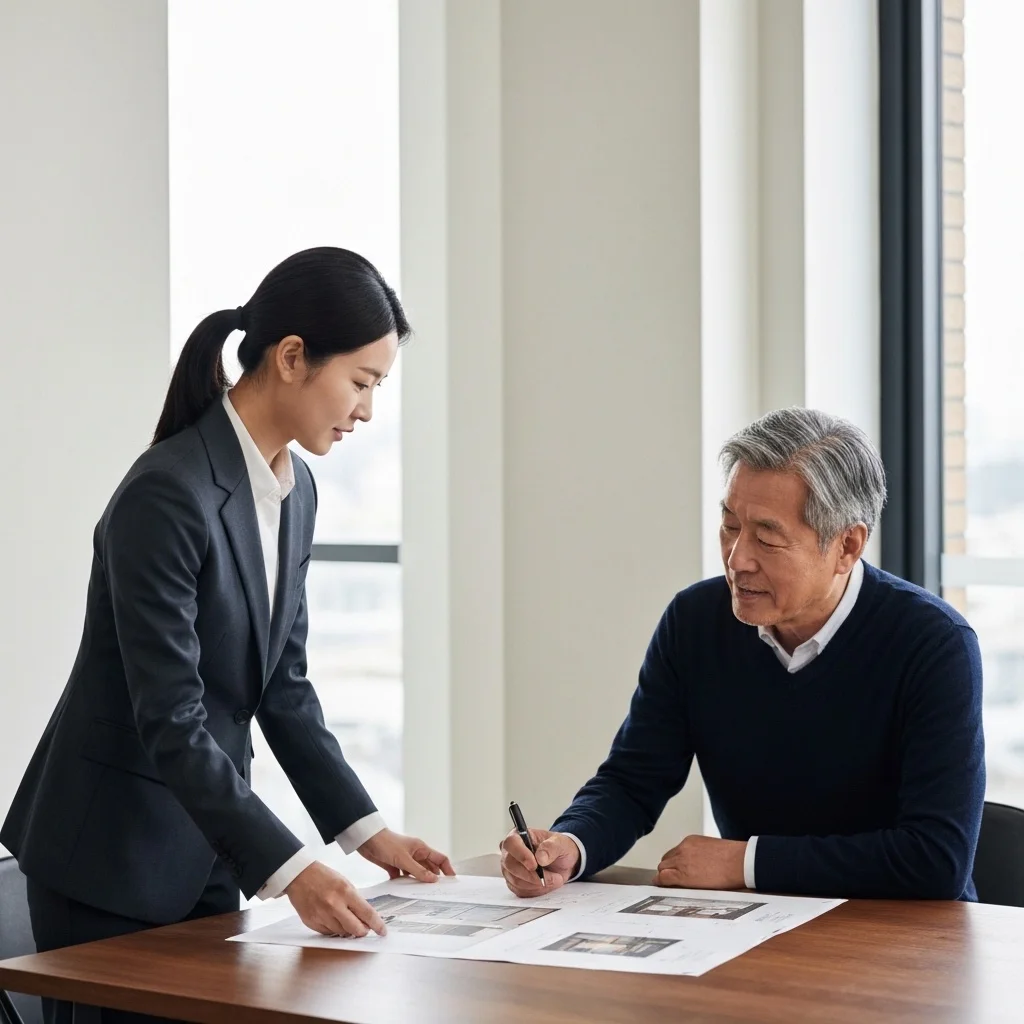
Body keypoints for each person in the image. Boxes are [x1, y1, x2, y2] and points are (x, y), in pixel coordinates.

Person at [2, 247, 454, 1024]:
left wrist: (367, 832)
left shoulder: (295, 488)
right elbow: (169, 714)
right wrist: (291, 868)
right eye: (362, 382)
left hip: (205, 851)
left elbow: (284, 688)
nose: (368, 411)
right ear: (290, 359)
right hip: (110, 862)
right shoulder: (167, 494)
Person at [500, 408, 985, 902]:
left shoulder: (934, 643)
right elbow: (633, 779)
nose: (737, 560)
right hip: (756, 927)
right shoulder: (695, 620)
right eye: (730, 526)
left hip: (910, 941)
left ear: (847, 546)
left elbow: (935, 857)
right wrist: (573, 845)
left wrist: (746, 861)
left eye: (767, 538)